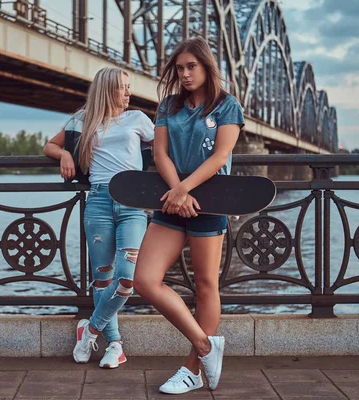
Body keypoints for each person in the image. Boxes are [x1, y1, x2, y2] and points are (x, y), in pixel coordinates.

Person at [133, 36, 245, 394]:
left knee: (205, 285)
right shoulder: (168, 106)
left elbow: (220, 157)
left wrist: (185, 189)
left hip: (209, 202)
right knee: (145, 280)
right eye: (179, 68)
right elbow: (160, 154)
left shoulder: (227, 106)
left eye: (190, 66)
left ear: (206, 66)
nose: (184, 73)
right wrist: (177, 190)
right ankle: (206, 344)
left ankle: (193, 370)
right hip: (172, 202)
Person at [43, 67, 154, 368]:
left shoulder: (138, 120)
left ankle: (89, 330)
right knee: (103, 278)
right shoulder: (83, 119)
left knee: (126, 278)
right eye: (123, 87)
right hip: (99, 203)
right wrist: (65, 155)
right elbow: (50, 145)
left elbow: (164, 151)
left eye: (130, 87)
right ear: (107, 90)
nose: (129, 93)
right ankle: (115, 345)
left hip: (132, 203)